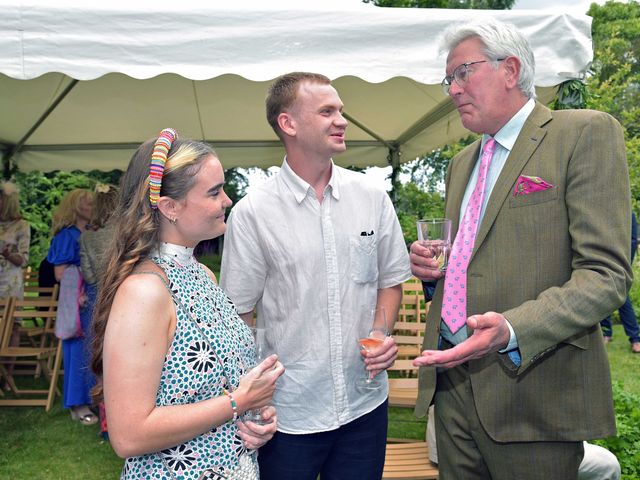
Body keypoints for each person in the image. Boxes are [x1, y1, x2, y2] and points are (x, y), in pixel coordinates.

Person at [409, 19, 631, 479]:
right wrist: (435, 273)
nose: (452, 89)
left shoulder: (583, 133)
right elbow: (473, 259)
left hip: (532, 392)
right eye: (447, 78)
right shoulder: (461, 163)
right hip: (451, 392)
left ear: (510, 69)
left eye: (462, 72)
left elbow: (606, 275)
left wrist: (512, 328)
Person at [220, 72, 412, 480]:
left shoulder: (372, 198)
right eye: (327, 111)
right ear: (288, 124)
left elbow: (390, 281)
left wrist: (380, 333)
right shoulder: (253, 213)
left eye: (341, 110)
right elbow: (238, 315)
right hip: (289, 414)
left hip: (365, 405)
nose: (342, 120)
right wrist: (250, 398)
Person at [90, 128, 284, 479]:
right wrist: (238, 402)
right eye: (214, 192)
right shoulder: (145, 292)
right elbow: (129, 435)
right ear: (170, 207)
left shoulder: (202, 276)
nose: (227, 200)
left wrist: (253, 415)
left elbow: (220, 391)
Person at [46, 188, 97, 425]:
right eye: (88, 204)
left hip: (94, 298)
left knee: (92, 350)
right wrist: (78, 294)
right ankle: (77, 404)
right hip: (76, 302)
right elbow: (59, 274)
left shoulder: (93, 232)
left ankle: (93, 397)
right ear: (77, 208)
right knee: (76, 351)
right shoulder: (66, 237)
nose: (92, 207)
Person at [80, 183, 118, 438]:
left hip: (98, 302)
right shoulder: (126, 231)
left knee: (101, 362)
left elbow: (88, 274)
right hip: (124, 296)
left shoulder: (86, 237)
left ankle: (106, 426)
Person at [601, 211, 640, 353]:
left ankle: (635, 338)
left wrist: (624, 264)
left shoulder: (629, 214)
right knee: (603, 295)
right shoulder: (603, 212)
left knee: (623, 299)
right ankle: (606, 333)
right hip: (604, 261)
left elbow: (633, 240)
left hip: (621, 264)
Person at [0, 181, 30, 299]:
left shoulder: (21, 225)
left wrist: (7, 254)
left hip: (9, 282)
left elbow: (23, 260)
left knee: (11, 317)